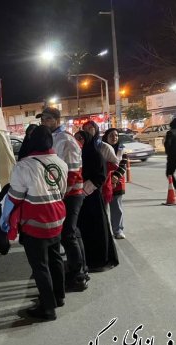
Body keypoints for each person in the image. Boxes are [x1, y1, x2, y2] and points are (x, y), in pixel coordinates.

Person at [0, 125, 68, 320]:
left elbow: (14, 198)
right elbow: (62, 191)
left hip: (36, 223)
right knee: (55, 258)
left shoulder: (24, 166)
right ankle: (58, 296)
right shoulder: (61, 163)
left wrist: (5, 220)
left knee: (40, 266)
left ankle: (48, 308)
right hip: (57, 219)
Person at [37, 107, 88, 291]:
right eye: (42, 120)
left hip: (71, 194)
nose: (44, 123)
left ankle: (78, 275)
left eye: (48, 119)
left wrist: (60, 195)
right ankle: (80, 268)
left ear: (57, 120)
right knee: (72, 232)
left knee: (68, 234)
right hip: (65, 193)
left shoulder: (66, 140)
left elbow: (72, 173)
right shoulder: (54, 138)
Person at [75, 130, 119, 271]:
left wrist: (85, 190)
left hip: (92, 198)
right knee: (84, 230)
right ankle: (86, 258)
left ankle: (99, 260)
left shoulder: (95, 154)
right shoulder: (78, 155)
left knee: (97, 229)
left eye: (81, 138)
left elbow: (100, 176)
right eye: (76, 138)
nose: (78, 141)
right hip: (82, 199)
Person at [102, 128, 128, 239]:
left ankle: (118, 230)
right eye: (111, 135)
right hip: (104, 183)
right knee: (103, 209)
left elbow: (123, 165)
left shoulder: (121, 150)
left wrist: (116, 176)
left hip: (117, 183)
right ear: (106, 137)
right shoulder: (102, 149)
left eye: (116, 135)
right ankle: (104, 231)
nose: (114, 138)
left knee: (117, 208)